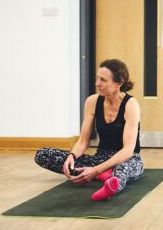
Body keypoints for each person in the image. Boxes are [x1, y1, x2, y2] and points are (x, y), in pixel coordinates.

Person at [34, 59, 144, 201]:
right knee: (43, 154)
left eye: (103, 80)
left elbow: (128, 150)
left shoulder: (131, 105)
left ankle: (110, 182)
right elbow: (83, 141)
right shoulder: (92, 101)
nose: (97, 83)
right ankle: (104, 174)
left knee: (122, 170)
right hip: (100, 158)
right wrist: (72, 157)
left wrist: (96, 170)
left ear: (119, 82)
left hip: (128, 159)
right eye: (98, 78)